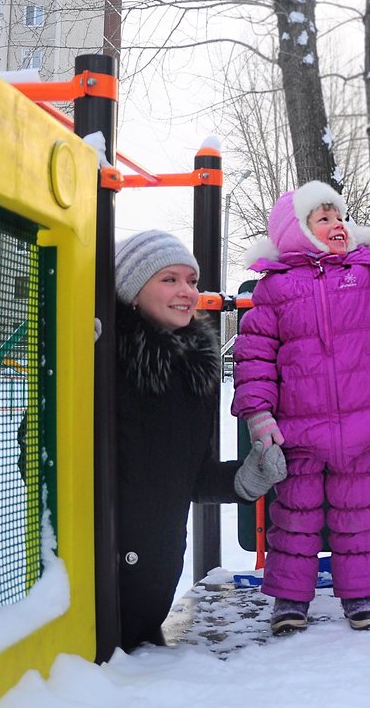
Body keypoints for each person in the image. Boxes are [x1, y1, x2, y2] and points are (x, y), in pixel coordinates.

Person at [231, 181, 370, 634]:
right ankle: (290, 600)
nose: (337, 226)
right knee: (295, 518)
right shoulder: (275, 290)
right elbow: (254, 357)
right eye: (323, 218)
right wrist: (258, 414)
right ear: (297, 233)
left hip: (357, 424)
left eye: (339, 217)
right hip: (298, 431)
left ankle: (360, 594)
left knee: (357, 516)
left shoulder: (363, 276)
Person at [113, 229, 287, 651]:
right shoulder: (101, 360)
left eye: (191, 280)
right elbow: (40, 454)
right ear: (133, 292)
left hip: (155, 584)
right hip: (99, 581)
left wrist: (243, 481)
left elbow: (193, 474)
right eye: (169, 279)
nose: (186, 291)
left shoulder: (194, 373)